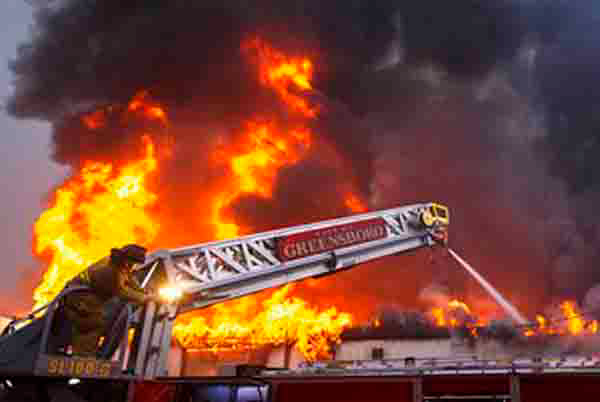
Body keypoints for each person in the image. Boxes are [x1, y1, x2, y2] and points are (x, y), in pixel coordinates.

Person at [62, 244, 151, 357]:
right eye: (133, 263)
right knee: (92, 323)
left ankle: (86, 355)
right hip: (79, 298)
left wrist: (144, 292)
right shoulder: (108, 270)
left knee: (95, 322)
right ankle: (83, 358)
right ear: (127, 259)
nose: (134, 266)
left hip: (84, 298)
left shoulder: (119, 265)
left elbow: (130, 281)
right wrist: (145, 298)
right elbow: (121, 291)